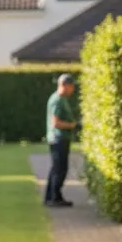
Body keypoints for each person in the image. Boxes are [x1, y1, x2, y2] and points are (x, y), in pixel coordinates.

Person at [45, 73, 78, 207]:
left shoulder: (61, 99)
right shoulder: (57, 100)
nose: (73, 89)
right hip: (58, 138)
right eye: (71, 86)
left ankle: (52, 196)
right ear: (64, 85)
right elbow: (56, 123)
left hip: (61, 138)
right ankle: (54, 197)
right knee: (59, 169)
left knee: (57, 168)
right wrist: (73, 125)